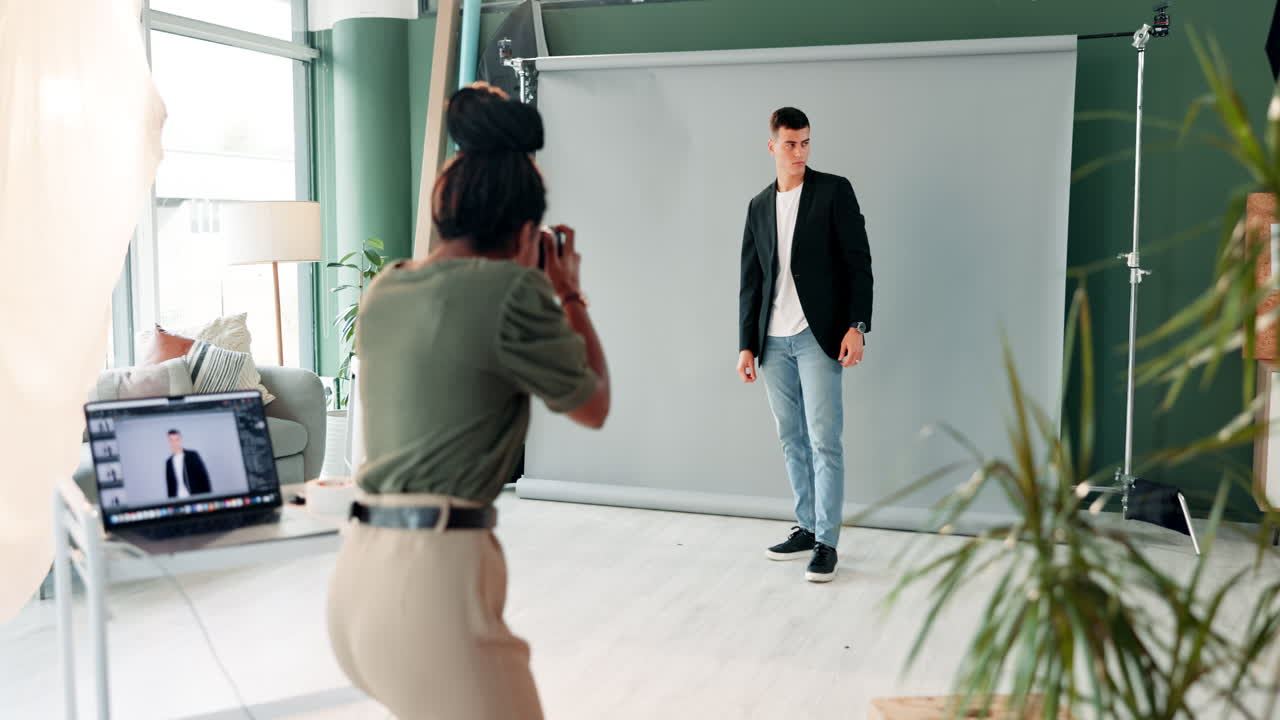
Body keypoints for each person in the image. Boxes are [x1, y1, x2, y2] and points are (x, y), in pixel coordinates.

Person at [326, 82, 610, 720]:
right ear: (526, 229)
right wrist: (567, 292)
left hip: (355, 585)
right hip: (432, 589)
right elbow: (592, 403)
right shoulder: (515, 291)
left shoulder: (387, 287)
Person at [736, 107, 874, 583]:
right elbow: (750, 281)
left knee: (824, 440)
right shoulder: (758, 206)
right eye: (791, 144)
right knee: (790, 438)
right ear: (772, 146)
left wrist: (857, 325)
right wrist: (746, 345)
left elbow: (859, 262)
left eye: (806, 143)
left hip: (819, 337)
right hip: (772, 342)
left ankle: (827, 543)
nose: (799, 152)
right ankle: (807, 526)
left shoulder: (834, 191)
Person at [164, 429, 212, 498]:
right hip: (178, 500)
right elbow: (170, 487)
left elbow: (204, 478)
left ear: (181, 440)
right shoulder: (168, 462)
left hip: (195, 497)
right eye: (171, 440)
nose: (174, 443)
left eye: (177, 439)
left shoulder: (192, 456)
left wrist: (208, 499)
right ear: (169, 442)